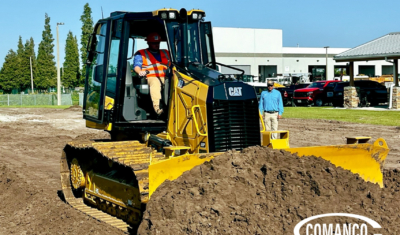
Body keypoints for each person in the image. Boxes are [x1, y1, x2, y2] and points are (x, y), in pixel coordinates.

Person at [134, 32, 171, 115]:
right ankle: (158, 109)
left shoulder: (166, 52)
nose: (156, 45)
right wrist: (140, 72)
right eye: (154, 43)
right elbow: (136, 66)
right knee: (155, 83)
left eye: (158, 43)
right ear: (148, 43)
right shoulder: (141, 53)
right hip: (150, 77)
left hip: (166, 77)